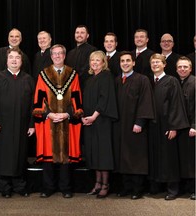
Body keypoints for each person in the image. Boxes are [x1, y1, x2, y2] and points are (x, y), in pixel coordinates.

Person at [33, 44, 83, 198]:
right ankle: (48, 187)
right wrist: (48, 114)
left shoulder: (73, 74)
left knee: (66, 157)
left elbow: (77, 99)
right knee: (48, 156)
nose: (57, 56)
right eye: (54, 54)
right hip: (50, 121)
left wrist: (68, 114)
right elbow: (39, 99)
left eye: (60, 53)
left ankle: (66, 188)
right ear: (50, 56)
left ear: (64, 55)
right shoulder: (43, 74)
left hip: (67, 121)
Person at [0, 47, 35, 198]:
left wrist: (32, 124)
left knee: (19, 156)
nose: (14, 60)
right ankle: (5, 188)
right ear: (6, 60)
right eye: (11, 58)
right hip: (2, 125)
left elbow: (34, 105)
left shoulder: (28, 79)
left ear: (21, 61)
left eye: (17, 58)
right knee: (3, 156)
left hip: (21, 125)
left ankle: (19, 186)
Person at [113, 51, 155, 200]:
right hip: (120, 126)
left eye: (128, 61)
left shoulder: (142, 80)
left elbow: (146, 101)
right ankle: (126, 187)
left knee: (136, 157)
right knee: (123, 156)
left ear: (133, 63)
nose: (125, 63)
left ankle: (137, 189)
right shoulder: (118, 80)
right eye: (122, 61)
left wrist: (140, 122)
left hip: (135, 126)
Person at [148, 53, 189, 200]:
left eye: (158, 62)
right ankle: (157, 186)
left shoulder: (172, 81)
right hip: (153, 126)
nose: (155, 65)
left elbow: (176, 104)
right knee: (156, 156)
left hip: (167, 125)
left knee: (169, 157)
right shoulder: (149, 81)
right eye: (153, 63)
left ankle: (173, 189)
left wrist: (173, 127)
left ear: (164, 64)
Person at [82, 51, 118, 199]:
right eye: (92, 60)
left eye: (98, 60)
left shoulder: (106, 77)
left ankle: (105, 185)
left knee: (103, 153)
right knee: (93, 152)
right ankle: (97, 183)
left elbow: (105, 99)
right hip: (90, 121)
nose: (95, 63)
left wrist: (94, 116)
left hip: (102, 120)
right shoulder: (89, 79)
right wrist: (84, 117)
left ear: (104, 62)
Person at [176, 56, 195, 200]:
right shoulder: (176, 82)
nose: (182, 69)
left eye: (185, 67)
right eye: (180, 67)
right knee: (184, 159)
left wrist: (195, 126)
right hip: (181, 127)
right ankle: (186, 188)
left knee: (193, 160)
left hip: (192, 128)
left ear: (190, 68)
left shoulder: (194, 83)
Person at [65, 25, 97, 89]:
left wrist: (74, 80)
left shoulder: (93, 51)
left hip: (86, 87)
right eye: (77, 33)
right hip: (71, 87)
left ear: (87, 36)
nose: (79, 35)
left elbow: (87, 69)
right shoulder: (70, 53)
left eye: (82, 33)